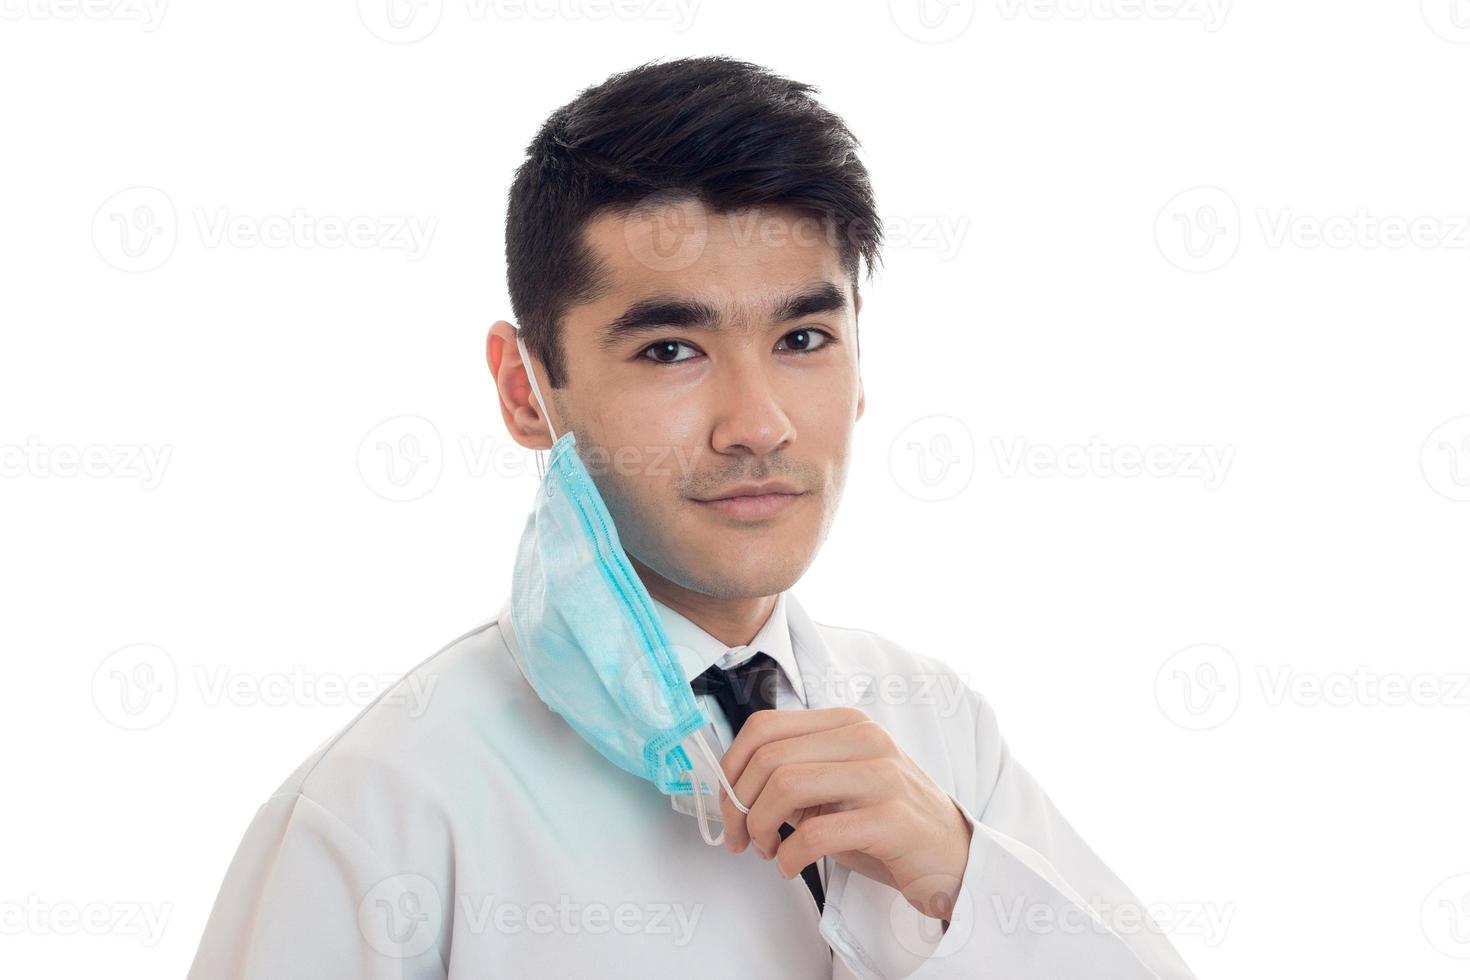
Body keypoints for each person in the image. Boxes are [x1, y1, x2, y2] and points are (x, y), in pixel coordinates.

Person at [186, 55, 1197, 979]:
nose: (756, 424)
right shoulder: (385, 807)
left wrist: (957, 874)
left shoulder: (937, 728)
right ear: (526, 390)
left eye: (803, 335)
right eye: (671, 349)